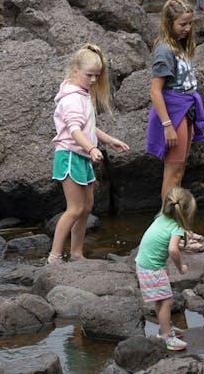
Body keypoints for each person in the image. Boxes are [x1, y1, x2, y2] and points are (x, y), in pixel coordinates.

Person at [48, 44, 130, 263]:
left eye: (97, 75)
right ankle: (54, 255)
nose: (94, 80)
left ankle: (76, 253)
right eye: (89, 75)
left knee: (86, 208)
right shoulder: (71, 99)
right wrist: (91, 148)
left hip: (82, 156)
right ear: (75, 71)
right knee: (74, 209)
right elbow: (75, 131)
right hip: (70, 156)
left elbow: (88, 127)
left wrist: (109, 141)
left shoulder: (82, 94)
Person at [146, 0, 204, 247]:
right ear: (169, 23)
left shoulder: (180, 45)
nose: (187, 28)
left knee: (179, 173)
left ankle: (178, 228)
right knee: (172, 176)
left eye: (190, 23)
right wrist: (167, 125)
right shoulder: (164, 50)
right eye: (182, 24)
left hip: (186, 110)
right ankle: (170, 230)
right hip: (173, 113)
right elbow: (155, 91)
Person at [134, 186, 197, 353]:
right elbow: (173, 250)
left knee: (160, 300)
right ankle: (166, 337)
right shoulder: (176, 229)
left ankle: (165, 327)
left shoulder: (161, 217)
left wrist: (187, 234)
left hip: (143, 265)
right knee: (167, 302)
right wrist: (181, 267)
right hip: (154, 269)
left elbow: (165, 233)